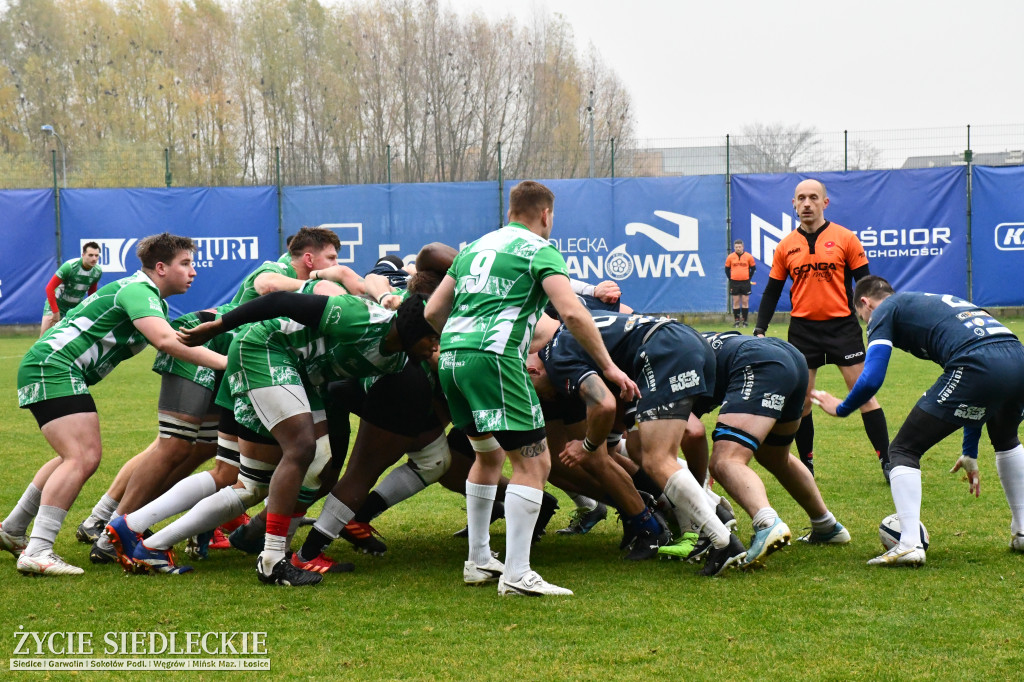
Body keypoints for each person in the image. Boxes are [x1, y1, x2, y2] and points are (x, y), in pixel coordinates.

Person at [424, 180, 639, 597]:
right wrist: (609, 367)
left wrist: (462, 344)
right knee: (534, 465)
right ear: (545, 215)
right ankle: (517, 573)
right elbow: (573, 313)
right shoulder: (540, 249)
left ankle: (479, 559)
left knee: (487, 457)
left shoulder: (473, 248)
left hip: (451, 358)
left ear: (510, 210)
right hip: (495, 359)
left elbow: (434, 310)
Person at [0, 233, 226, 576]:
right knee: (83, 457)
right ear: (161, 268)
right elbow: (166, 341)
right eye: (186, 264)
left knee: (70, 456)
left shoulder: (152, 300)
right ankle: (38, 550)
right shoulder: (138, 290)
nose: (193, 271)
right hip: (54, 367)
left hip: (50, 365)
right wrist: (228, 363)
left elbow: (172, 335)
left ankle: (13, 529)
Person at [811, 276, 1024, 566]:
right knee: (1006, 439)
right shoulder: (929, 302)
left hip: (978, 361)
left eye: (862, 317)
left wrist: (843, 407)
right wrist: (970, 451)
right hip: (1016, 356)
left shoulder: (884, 309)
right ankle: (1022, 531)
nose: (865, 322)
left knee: (903, 450)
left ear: (865, 303)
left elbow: (872, 377)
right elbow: (979, 390)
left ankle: (909, 543)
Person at [527, 313, 746, 576]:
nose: (545, 397)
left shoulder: (555, 358)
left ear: (533, 370)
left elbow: (604, 404)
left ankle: (722, 540)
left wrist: (586, 446)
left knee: (656, 459)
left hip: (662, 350)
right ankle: (713, 516)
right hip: (687, 341)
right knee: (645, 452)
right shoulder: (568, 336)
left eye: (537, 390)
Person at [753, 179, 890, 482]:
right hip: (803, 331)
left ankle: (889, 462)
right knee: (801, 401)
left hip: (842, 327)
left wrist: (880, 317)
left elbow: (867, 286)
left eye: (813, 198)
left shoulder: (845, 238)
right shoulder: (786, 246)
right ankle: (806, 465)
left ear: (824, 203)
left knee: (865, 393)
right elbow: (772, 292)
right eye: (800, 198)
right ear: (793, 204)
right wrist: (760, 329)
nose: (806, 204)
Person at [679, 331, 850, 568]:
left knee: (725, 461)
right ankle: (826, 525)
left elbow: (691, 432)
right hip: (788, 357)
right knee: (774, 456)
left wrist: (696, 485)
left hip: (757, 362)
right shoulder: (669, 341)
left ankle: (767, 523)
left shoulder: (650, 368)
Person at [41, 242, 103, 336]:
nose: (94, 258)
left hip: (75, 308)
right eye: (90, 255)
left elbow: (92, 295)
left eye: (96, 255)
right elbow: (49, 288)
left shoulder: (97, 271)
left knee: (70, 341)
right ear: (83, 255)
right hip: (57, 305)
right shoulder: (70, 266)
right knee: (44, 338)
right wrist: (55, 312)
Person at [725, 239, 755, 327]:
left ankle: (745, 321)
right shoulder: (730, 257)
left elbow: (753, 268)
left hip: (745, 282)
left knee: (745, 301)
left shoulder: (748, 256)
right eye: (736, 247)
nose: (738, 248)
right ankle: (737, 321)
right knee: (736, 301)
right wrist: (731, 278)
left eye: (740, 247)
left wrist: (748, 277)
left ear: (743, 247)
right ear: (734, 248)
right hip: (734, 282)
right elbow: (727, 269)